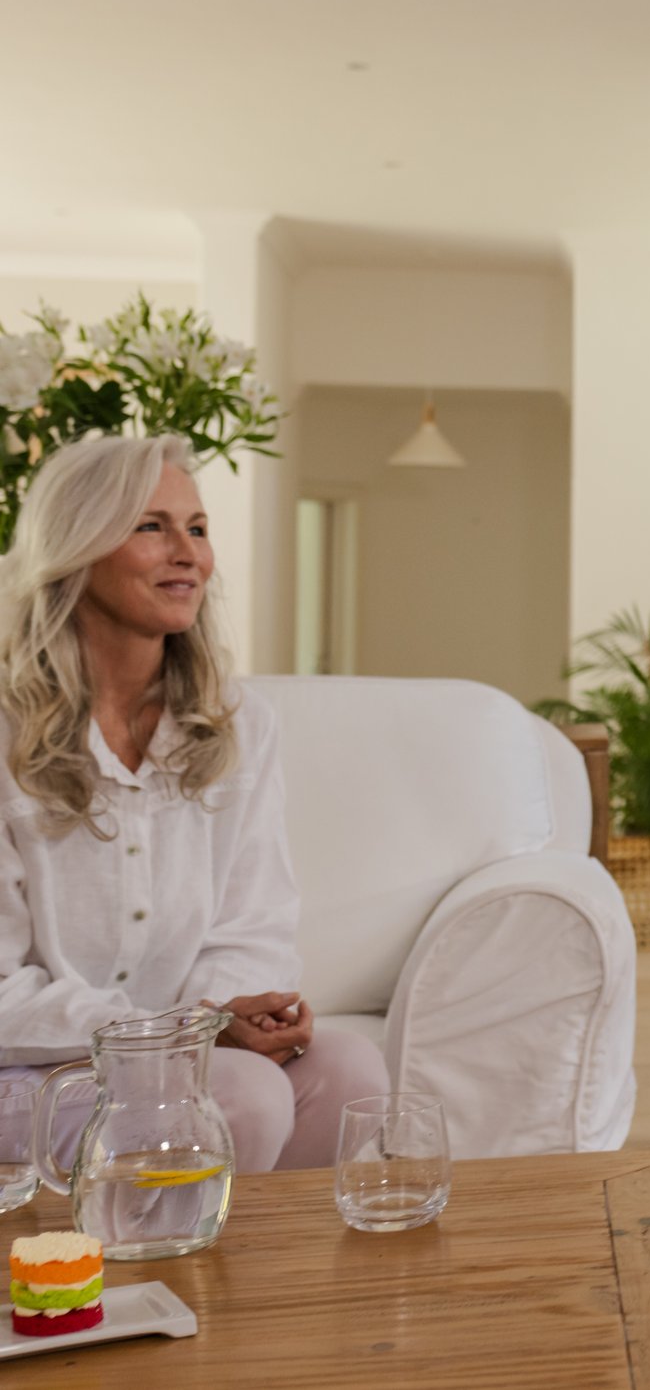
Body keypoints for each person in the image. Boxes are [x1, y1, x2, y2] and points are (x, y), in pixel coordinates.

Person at [0, 433, 388, 1172]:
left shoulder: (237, 722)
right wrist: (181, 1035)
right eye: (152, 526)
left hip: (177, 1050)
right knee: (240, 1092)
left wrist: (225, 1021)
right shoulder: (6, 729)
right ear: (76, 548)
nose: (189, 552)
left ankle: (259, 1282)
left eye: (199, 528)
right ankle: (156, 1283)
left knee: (349, 1069)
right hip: (28, 1069)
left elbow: (255, 922)